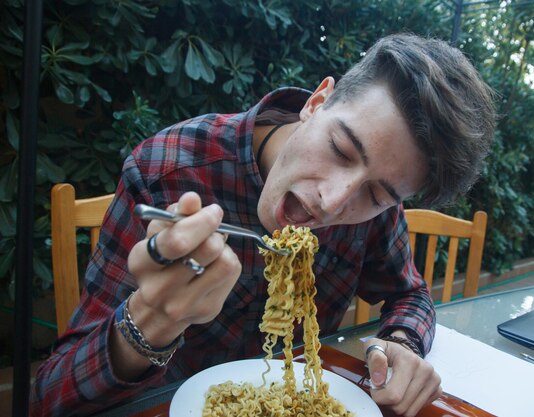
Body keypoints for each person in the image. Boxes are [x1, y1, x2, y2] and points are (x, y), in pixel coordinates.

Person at [31, 32, 495, 417]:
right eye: (339, 149)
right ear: (317, 102)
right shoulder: (168, 172)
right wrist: (149, 322)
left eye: (376, 194)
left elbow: (410, 294)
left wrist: (401, 342)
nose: (332, 202)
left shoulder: (377, 213)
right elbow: (48, 399)